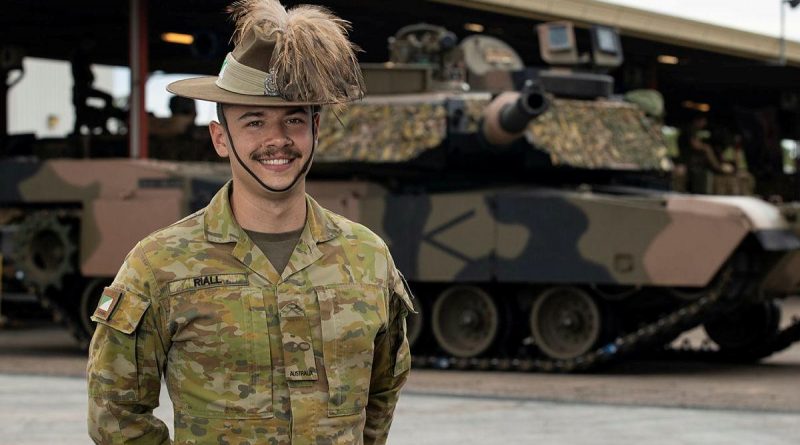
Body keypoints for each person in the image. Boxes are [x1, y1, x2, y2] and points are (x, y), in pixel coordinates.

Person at [86, 1, 414, 444]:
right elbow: (115, 413)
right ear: (221, 138)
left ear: (316, 129)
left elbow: (383, 391)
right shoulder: (160, 263)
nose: (277, 140)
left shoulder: (367, 257)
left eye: (293, 120)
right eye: (254, 122)